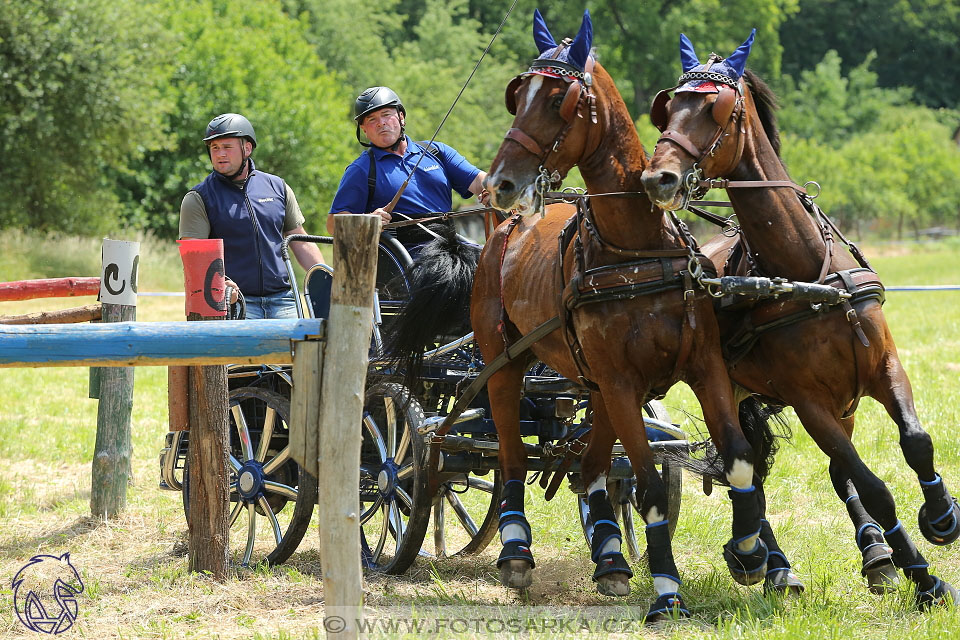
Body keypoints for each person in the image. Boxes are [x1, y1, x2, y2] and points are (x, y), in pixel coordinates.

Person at [179, 113, 325, 319]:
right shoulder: (198, 198)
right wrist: (220, 289)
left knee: (299, 351)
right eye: (214, 148)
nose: (220, 154)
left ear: (247, 148)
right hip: (235, 302)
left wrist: (326, 277)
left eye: (227, 147)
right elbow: (194, 260)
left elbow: (301, 241)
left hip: (284, 300)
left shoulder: (278, 187)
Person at [327, 86, 488, 255]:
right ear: (364, 130)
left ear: (401, 117)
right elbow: (332, 225)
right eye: (371, 119)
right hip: (402, 258)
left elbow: (478, 181)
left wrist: (494, 189)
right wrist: (368, 220)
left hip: (450, 248)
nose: (381, 123)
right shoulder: (361, 169)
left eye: (386, 114)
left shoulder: (436, 152)